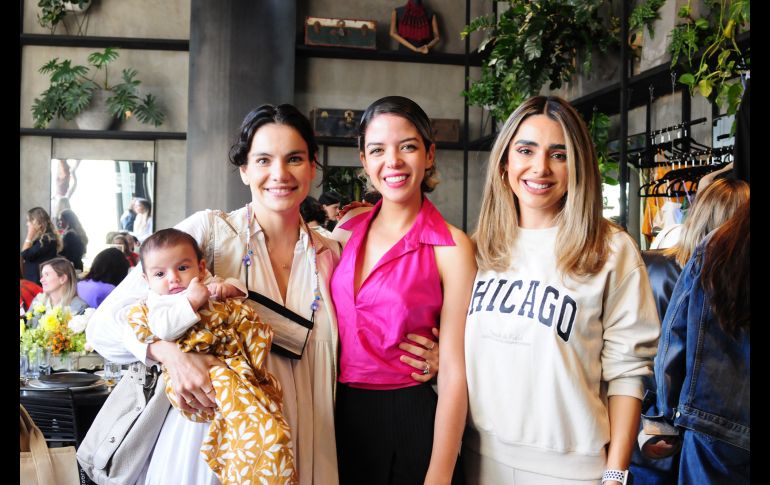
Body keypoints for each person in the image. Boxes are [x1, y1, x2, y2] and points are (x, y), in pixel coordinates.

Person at [87, 103, 438, 485]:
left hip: (308, 445)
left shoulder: (333, 254)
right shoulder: (209, 236)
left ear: (312, 166)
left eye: (294, 159)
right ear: (244, 170)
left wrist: (434, 359)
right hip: (215, 449)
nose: (279, 174)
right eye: (263, 160)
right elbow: (103, 327)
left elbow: (378, 330)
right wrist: (171, 356)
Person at [463, 95, 660, 484]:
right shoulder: (479, 248)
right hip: (476, 459)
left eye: (559, 154)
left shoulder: (610, 250)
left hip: (571, 471)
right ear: (505, 164)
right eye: (526, 150)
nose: (540, 168)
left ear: (578, 166)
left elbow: (627, 372)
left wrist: (615, 474)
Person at [330, 95, 475, 484]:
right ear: (364, 160)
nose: (392, 162)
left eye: (407, 147)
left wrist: (439, 475)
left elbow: (455, 372)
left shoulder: (452, 246)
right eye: (377, 150)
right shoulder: (344, 234)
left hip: (412, 415)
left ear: (429, 154)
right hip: (338, 413)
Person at [127, 228, 295, 483]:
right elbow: (163, 329)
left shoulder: (203, 282)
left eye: (182, 268)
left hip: (228, 362)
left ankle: (256, 456)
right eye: (160, 274)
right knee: (250, 419)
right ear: (147, 279)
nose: (173, 279)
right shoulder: (158, 302)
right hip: (194, 377)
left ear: (200, 266)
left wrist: (227, 288)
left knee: (255, 405)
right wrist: (191, 302)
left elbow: (239, 289)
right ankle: (261, 451)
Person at [630, 177, 749, 484]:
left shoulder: (649, 263)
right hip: (695, 419)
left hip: (650, 412)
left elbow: (667, 348)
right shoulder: (720, 275)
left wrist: (663, 416)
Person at [27, 257, 89, 328]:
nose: (41, 280)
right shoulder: (38, 300)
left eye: (47, 275)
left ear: (62, 279)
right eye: (42, 275)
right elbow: (28, 330)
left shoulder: (80, 308)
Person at [21, 207, 62, 285]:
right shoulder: (45, 237)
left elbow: (25, 254)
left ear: (36, 221)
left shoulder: (46, 239)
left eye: (29, 221)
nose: (27, 224)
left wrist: (29, 235)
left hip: (38, 282)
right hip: (37, 280)